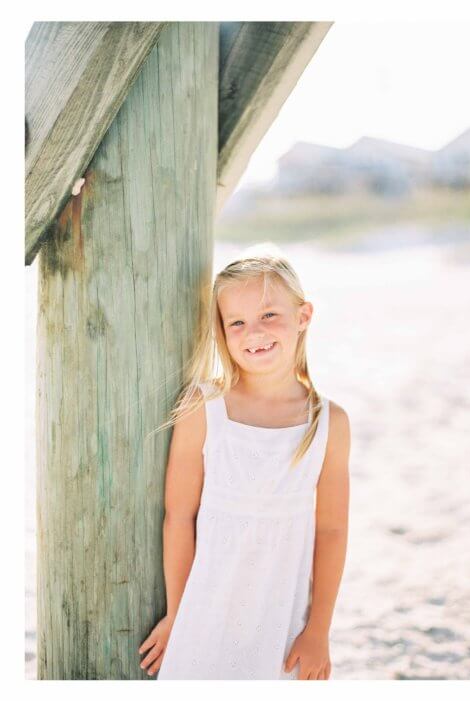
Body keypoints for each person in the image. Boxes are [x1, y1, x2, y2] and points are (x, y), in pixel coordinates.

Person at [137, 246, 351, 679]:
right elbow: (179, 516)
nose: (254, 332)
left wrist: (319, 630)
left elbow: (331, 531)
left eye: (269, 315)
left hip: (283, 626)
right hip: (204, 618)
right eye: (237, 322)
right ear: (222, 331)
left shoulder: (329, 422)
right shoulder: (205, 407)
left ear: (304, 316)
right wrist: (180, 614)